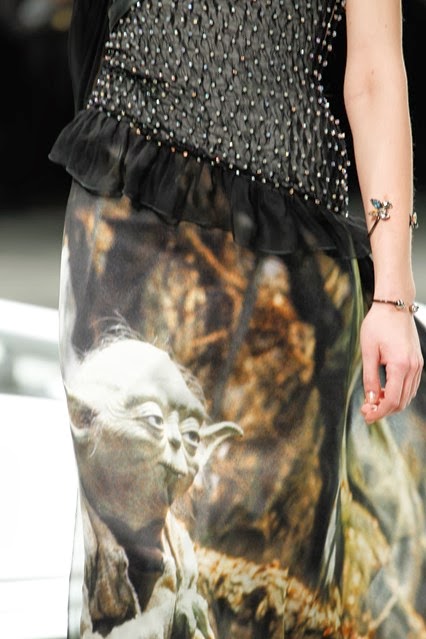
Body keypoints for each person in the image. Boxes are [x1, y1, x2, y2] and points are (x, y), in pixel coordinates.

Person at [50, 0, 426, 637]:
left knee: (267, 564)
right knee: (134, 564)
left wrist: (392, 295)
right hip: (126, 203)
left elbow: (373, 73)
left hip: (285, 248)